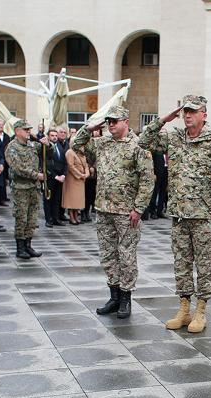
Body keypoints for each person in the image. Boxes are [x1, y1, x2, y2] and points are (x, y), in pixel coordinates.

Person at [139, 94, 211, 333]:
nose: (188, 115)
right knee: (181, 264)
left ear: (204, 114)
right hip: (180, 215)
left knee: (204, 266)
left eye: (193, 111)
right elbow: (144, 140)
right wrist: (165, 118)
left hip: (205, 216)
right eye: (185, 111)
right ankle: (184, 308)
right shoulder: (174, 138)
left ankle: (200, 310)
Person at [73, 106, 154, 319]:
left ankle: (126, 298)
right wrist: (90, 128)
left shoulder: (138, 145)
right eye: (108, 121)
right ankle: (114, 296)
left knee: (126, 255)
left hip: (126, 212)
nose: (110, 125)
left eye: (114, 121)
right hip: (103, 209)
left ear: (126, 121)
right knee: (108, 255)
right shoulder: (101, 144)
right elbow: (76, 144)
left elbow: (147, 180)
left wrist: (139, 208)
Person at [5, 120, 49, 259]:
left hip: (33, 188)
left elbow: (46, 150)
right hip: (21, 188)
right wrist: (36, 175)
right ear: (17, 131)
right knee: (21, 218)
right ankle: (20, 247)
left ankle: (28, 245)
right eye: (25, 129)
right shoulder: (12, 147)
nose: (29, 131)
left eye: (29, 129)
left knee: (32, 219)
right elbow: (18, 168)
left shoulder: (31, 145)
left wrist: (48, 144)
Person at [63, 137, 88, 225]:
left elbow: (86, 165)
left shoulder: (81, 153)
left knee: (78, 200)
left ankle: (76, 216)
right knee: (71, 200)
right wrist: (80, 175)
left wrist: (86, 174)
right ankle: (71, 217)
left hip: (81, 180)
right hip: (72, 179)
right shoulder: (70, 152)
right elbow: (71, 166)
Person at [43, 128, 66, 227]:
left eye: (56, 135)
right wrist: (55, 176)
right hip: (50, 177)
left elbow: (65, 162)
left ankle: (56, 218)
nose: (54, 137)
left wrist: (64, 174)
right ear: (48, 136)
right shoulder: (45, 147)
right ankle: (49, 219)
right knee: (48, 199)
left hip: (60, 177)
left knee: (57, 199)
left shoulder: (60, 146)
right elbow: (46, 163)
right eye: (52, 135)